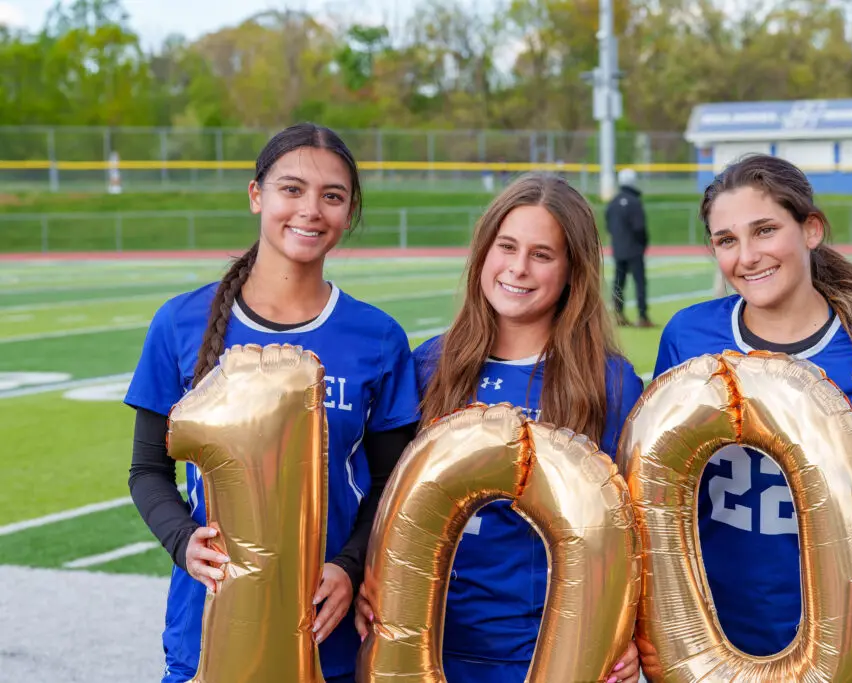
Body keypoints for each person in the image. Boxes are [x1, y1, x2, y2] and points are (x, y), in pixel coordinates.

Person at [124, 123, 421, 683]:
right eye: (292, 189)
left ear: (349, 212)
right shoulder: (180, 323)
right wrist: (185, 542)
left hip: (325, 637)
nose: (311, 210)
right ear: (256, 194)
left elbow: (391, 485)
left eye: (332, 196)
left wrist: (350, 566)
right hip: (209, 629)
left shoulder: (377, 336)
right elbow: (147, 470)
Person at [653, 154, 852, 658]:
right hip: (700, 628)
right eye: (726, 240)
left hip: (828, 637)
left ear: (810, 230)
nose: (747, 256)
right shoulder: (689, 336)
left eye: (765, 230)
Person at [355, 173, 645, 683]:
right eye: (506, 246)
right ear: (482, 254)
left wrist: (634, 633)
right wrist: (369, 577)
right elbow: (386, 499)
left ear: (573, 270)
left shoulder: (608, 383)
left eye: (542, 254)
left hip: (546, 653)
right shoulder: (429, 366)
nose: (518, 267)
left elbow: (637, 531)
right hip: (427, 646)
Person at [606, 167, 652, 328]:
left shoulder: (612, 202)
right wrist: (643, 243)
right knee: (639, 282)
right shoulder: (634, 202)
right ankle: (642, 316)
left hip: (619, 249)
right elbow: (639, 228)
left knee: (619, 283)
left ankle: (618, 315)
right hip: (634, 249)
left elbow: (609, 226)